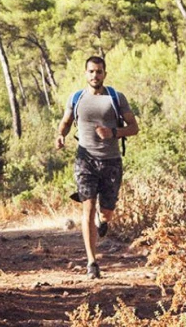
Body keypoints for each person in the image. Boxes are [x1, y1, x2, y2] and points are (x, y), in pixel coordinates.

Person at [55, 55, 139, 278]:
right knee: (88, 208)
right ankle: (92, 262)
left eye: (99, 71)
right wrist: (60, 136)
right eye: (91, 71)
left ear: (105, 74)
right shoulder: (77, 98)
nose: (95, 75)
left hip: (111, 161)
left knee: (106, 211)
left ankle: (103, 221)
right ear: (86, 73)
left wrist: (113, 132)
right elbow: (65, 122)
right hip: (85, 160)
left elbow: (134, 127)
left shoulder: (115, 97)